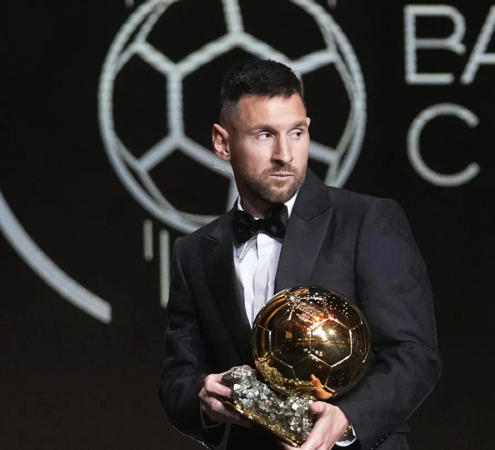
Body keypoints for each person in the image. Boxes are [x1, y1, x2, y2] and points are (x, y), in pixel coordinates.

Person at [158, 59, 441, 450]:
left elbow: (414, 355)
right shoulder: (194, 253)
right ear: (222, 143)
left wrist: (346, 419)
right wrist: (202, 399)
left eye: (297, 133)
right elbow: (178, 379)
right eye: (263, 135)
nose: (285, 154)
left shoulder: (367, 221)